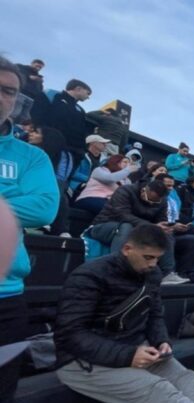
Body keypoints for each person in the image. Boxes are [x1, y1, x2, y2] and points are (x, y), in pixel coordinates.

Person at [54, 224, 194, 402]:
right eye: (148, 257)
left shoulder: (152, 274)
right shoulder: (89, 276)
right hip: (82, 360)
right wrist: (128, 355)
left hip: (134, 348)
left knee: (188, 380)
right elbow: (71, 334)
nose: (153, 264)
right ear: (127, 249)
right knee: (164, 394)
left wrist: (161, 341)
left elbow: (154, 314)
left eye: (158, 259)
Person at [0, 56, 59, 401]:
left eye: (9, 91)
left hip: (6, 298)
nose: (2, 98)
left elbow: (43, 207)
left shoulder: (31, 157)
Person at [88, 179, 190, 284]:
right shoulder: (125, 191)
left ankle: (167, 273)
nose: (152, 202)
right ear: (145, 190)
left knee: (165, 232)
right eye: (152, 199)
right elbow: (122, 215)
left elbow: (161, 220)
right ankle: (117, 269)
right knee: (126, 227)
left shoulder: (162, 200)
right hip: (105, 225)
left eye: (156, 201)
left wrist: (170, 226)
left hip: (137, 229)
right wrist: (152, 225)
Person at [26, 125, 74, 236]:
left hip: (51, 184)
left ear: (47, 137)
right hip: (27, 182)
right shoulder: (27, 149)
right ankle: (59, 228)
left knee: (59, 190)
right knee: (60, 193)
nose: (31, 134)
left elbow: (61, 176)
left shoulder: (65, 155)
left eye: (36, 132)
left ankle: (51, 224)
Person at [47, 79, 93, 157]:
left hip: (70, 150)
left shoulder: (80, 110)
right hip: (50, 144)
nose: (88, 97)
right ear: (78, 89)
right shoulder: (53, 96)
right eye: (87, 93)